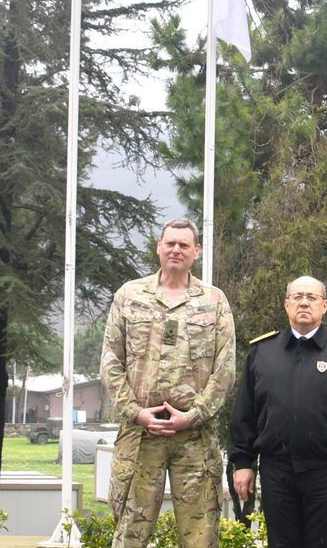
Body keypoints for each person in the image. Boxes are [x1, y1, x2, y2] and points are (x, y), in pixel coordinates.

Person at [101, 217, 236, 548]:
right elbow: (110, 361)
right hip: (140, 435)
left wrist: (193, 415)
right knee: (129, 533)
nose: (176, 250)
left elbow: (225, 368)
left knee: (201, 536)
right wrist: (137, 413)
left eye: (184, 245)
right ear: (158, 247)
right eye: (170, 243)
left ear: (197, 251)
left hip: (195, 437)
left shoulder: (214, 300)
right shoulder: (129, 295)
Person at [228, 276, 327, 548]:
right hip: (276, 469)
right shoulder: (262, 352)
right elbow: (245, 413)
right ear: (286, 305)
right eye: (297, 297)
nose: (304, 302)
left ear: (324, 306)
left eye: (311, 297)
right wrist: (242, 462)